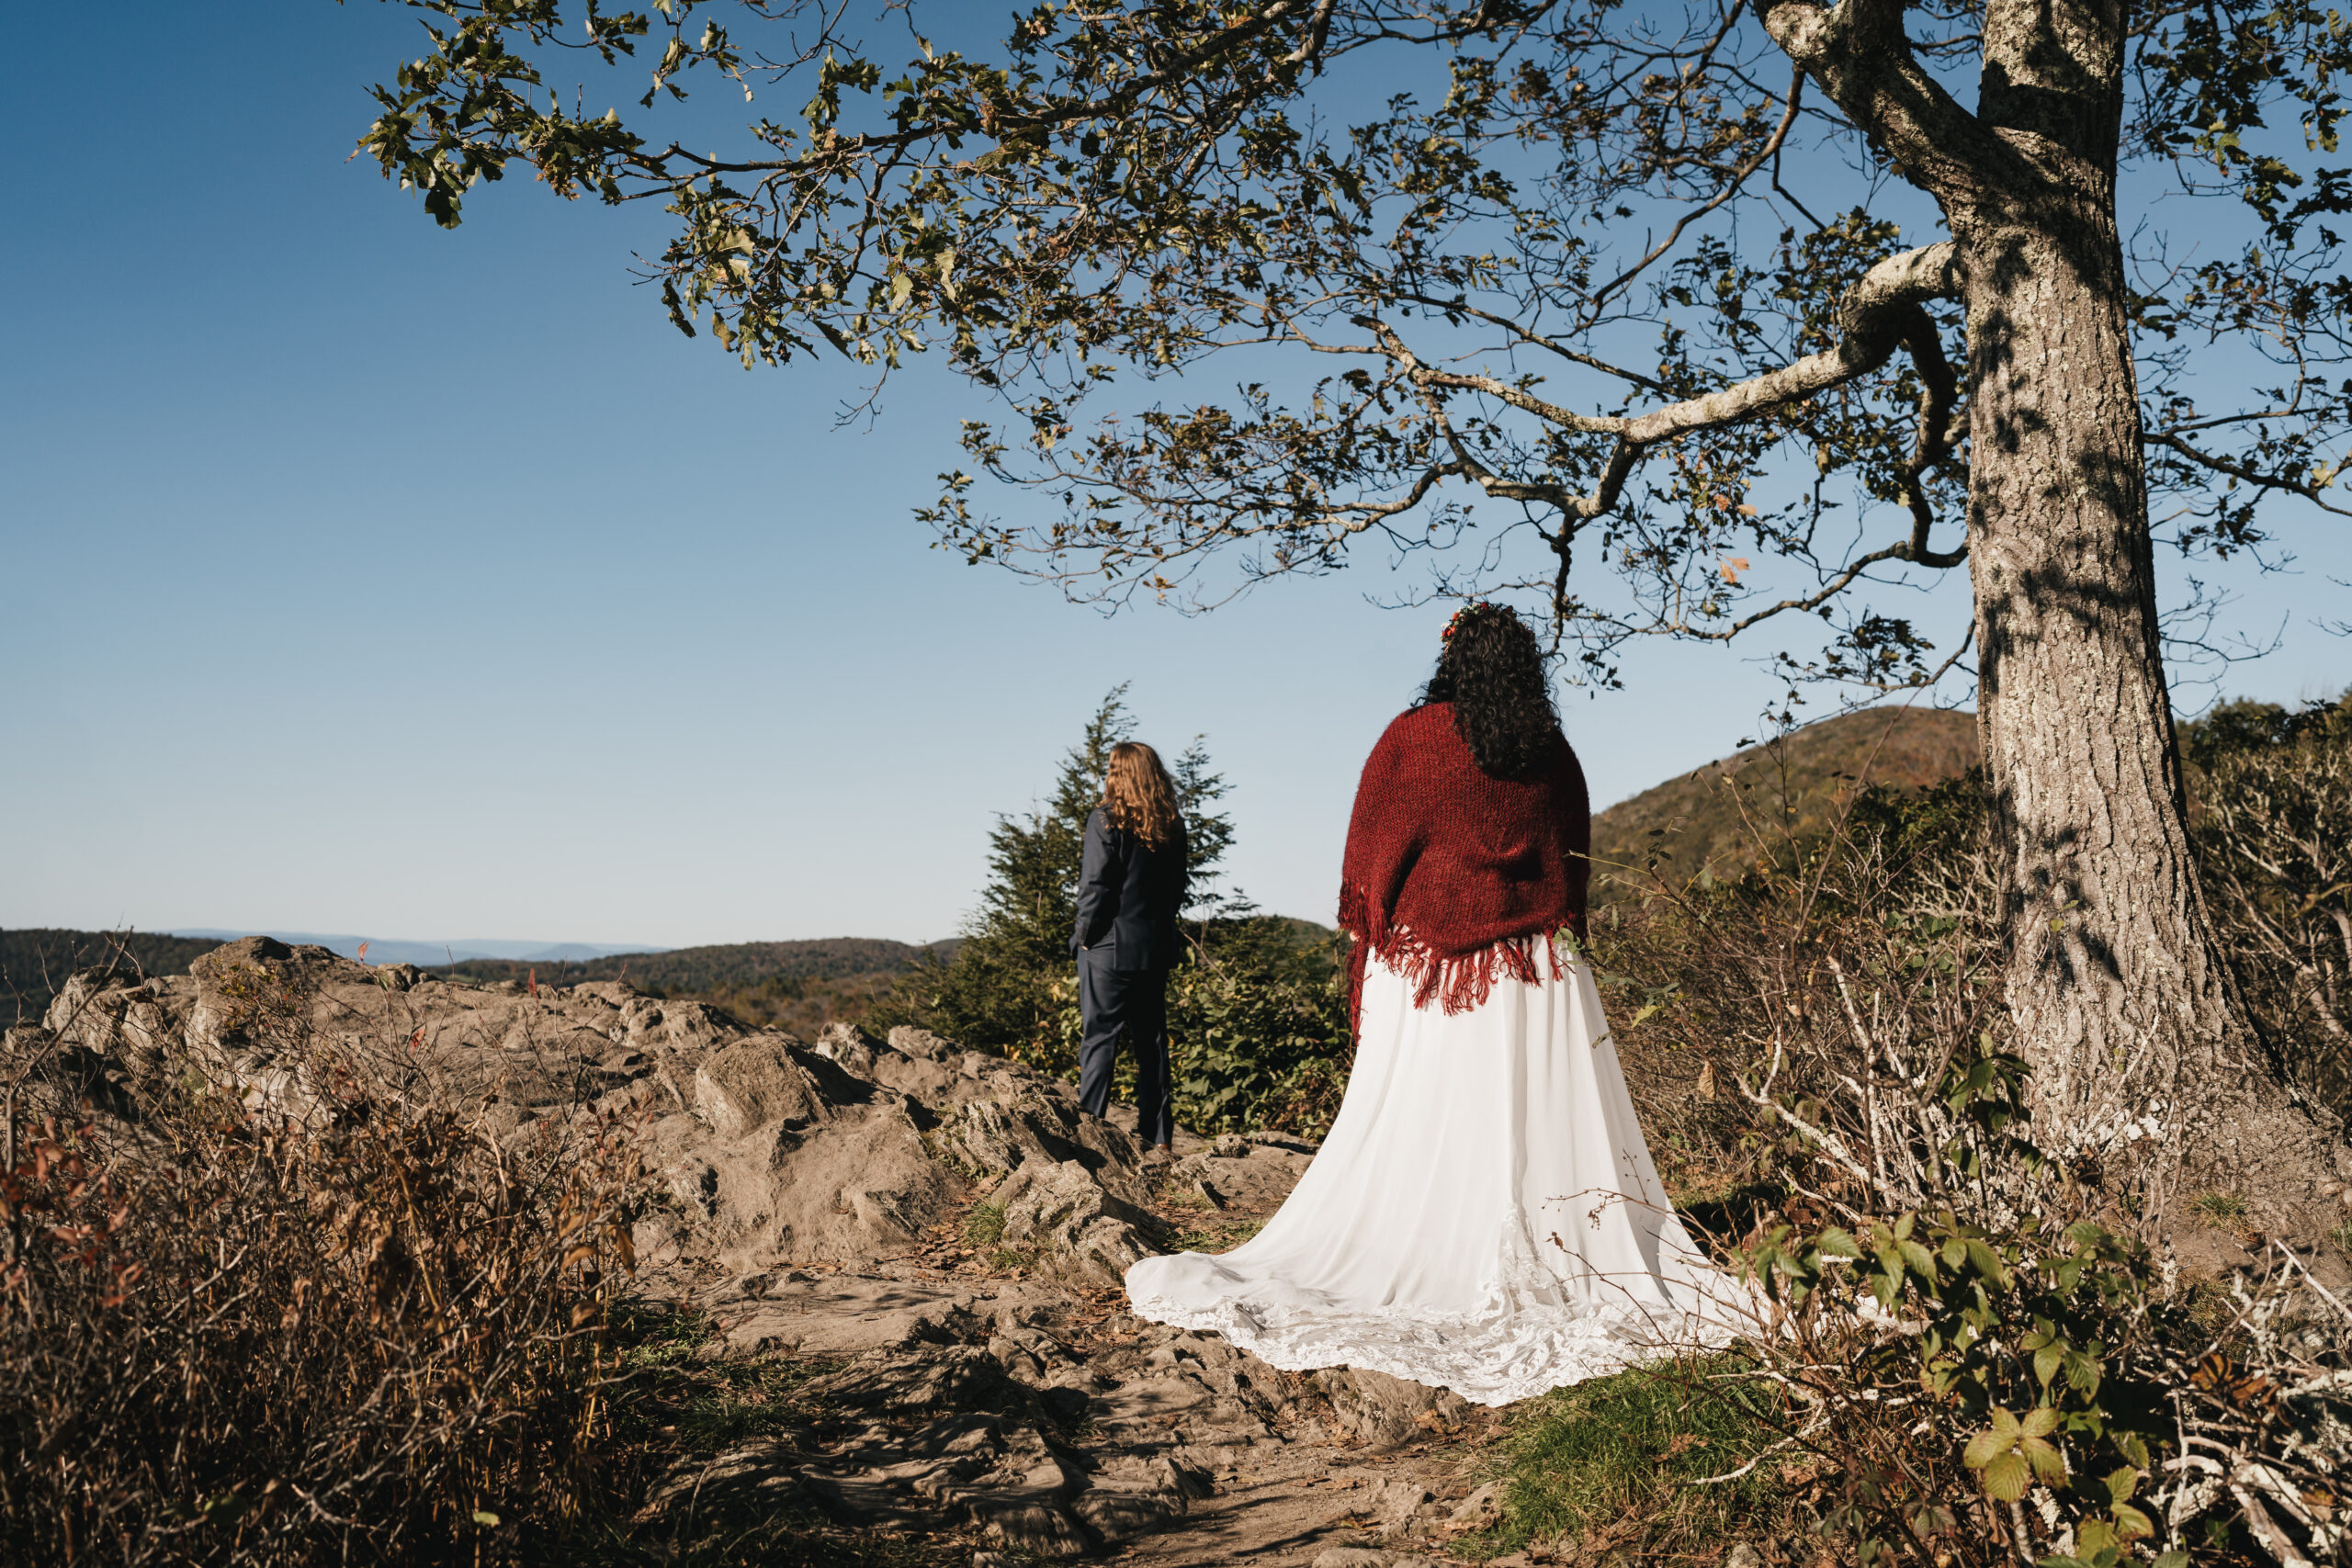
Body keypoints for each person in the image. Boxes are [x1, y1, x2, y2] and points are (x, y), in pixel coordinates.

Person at [1124, 604, 1735, 1405]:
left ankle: (1437, 1248)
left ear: (1450, 661)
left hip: (1433, 977)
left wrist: (1384, 928)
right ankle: (1558, 1251)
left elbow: (1370, 855)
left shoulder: (1411, 739)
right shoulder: (1555, 755)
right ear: (1524, 668)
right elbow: (1572, 863)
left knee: (1435, 1121)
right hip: (1537, 974)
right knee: (1532, 1127)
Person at [1074, 740, 1190, 1156]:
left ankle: (1088, 1130)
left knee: (1099, 1040)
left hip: (1107, 947)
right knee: (1152, 1043)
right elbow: (1177, 890)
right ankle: (1158, 1138)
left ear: (1117, 773)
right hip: (1155, 947)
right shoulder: (1173, 826)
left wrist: (1083, 938)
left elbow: (1095, 888)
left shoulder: (1105, 821)